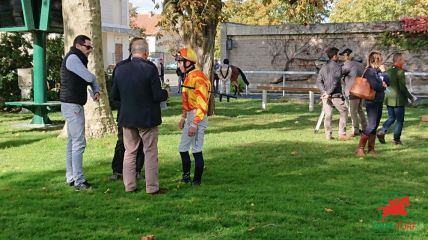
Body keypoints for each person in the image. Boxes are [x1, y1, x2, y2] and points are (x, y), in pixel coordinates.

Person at [111, 38, 169, 193]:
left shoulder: (120, 68)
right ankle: (152, 187)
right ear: (146, 53)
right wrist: (166, 93)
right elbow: (157, 95)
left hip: (127, 117)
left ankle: (129, 186)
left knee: (129, 152)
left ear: (131, 51)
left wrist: (126, 106)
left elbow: (114, 96)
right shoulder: (150, 68)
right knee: (149, 152)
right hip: (147, 117)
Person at [60, 35, 100, 191]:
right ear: (78, 46)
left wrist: (95, 89)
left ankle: (71, 177)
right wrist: (95, 87)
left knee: (72, 142)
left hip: (72, 104)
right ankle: (79, 181)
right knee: (79, 143)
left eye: (91, 47)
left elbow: (88, 79)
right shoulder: (73, 59)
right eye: (87, 47)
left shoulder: (76, 58)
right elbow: (89, 76)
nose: (90, 50)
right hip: (72, 105)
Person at [110, 37, 145, 181]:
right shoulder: (121, 67)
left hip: (142, 112)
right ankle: (117, 170)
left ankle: (137, 170)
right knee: (122, 142)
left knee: (141, 143)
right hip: (125, 112)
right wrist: (123, 107)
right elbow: (114, 93)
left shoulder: (147, 66)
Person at [176, 48, 211, 186]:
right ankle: (185, 178)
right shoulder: (188, 77)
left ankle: (196, 181)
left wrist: (194, 124)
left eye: (180, 62)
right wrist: (184, 118)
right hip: (190, 116)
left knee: (196, 149)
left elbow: (202, 105)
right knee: (183, 148)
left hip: (198, 116)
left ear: (188, 62)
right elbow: (186, 101)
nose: (178, 65)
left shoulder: (198, 78)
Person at [377, 53, 416, 145]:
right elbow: (402, 88)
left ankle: (382, 131)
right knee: (400, 121)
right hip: (398, 100)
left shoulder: (388, 71)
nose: (404, 61)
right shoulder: (400, 72)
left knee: (391, 117)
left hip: (389, 99)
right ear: (398, 61)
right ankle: (396, 140)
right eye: (402, 60)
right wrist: (411, 97)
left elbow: (386, 85)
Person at [356, 51, 390, 157]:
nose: (382, 62)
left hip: (379, 100)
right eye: (380, 59)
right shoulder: (370, 72)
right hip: (372, 101)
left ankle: (371, 149)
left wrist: (384, 73)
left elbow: (389, 82)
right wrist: (382, 84)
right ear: (375, 60)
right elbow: (376, 86)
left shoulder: (379, 71)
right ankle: (360, 148)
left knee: (374, 126)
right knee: (371, 125)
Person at [316, 47, 350, 141]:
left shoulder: (323, 67)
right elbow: (335, 81)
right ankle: (342, 133)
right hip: (335, 95)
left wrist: (324, 92)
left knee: (328, 115)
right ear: (334, 56)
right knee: (344, 111)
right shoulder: (338, 67)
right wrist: (328, 93)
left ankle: (328, 135)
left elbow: (319, 81)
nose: (339, 57)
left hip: (326, 95)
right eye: (338, 55)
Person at [340, 48, 367, 137]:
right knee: (359, 110)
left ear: (347, 56)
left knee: (353, 111)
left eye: (343, 55)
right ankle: (365, 127)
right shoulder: (360, 64)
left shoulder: (348, 64)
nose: (342, 57)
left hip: (353, 90)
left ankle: (355, 130)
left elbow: (340, 73)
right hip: (361, 90)